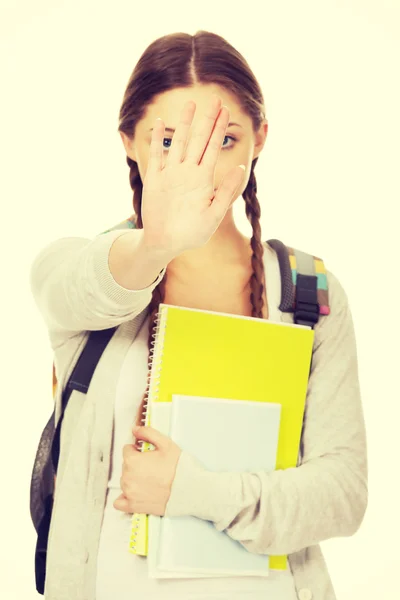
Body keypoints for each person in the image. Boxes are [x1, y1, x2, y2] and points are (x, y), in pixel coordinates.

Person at [30, 30, 368, 600]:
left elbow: (344, 493)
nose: (199, 166)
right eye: (170, 140)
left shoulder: (310, 293)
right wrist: (157, 244)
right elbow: (82, 287)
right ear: (129, 142)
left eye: (225, 138)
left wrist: (198, 491)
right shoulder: (78, 270)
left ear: (260, 139)